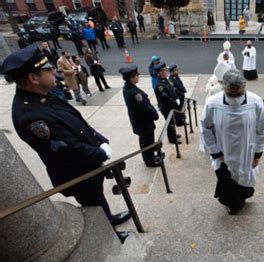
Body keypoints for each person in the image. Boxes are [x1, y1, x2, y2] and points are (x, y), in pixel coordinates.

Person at [0, 45, 131, 243]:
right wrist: (100, 153)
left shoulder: (43, 94)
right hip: (76, 173)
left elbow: (76, 123)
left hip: (87, 165)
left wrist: (99, 139)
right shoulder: (31, 116)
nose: (54, 71)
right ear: (33, 78)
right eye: (48, 70)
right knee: (92, 203)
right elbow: (69, 150)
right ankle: (109, 236)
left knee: (98, 198)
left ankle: (109, 220)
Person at [200, 69, 264, 215]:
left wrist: (257, 155)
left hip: (246, 153)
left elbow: (262, 129)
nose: (235, 99)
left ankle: (241, 197)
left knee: (244, 180)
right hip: (224, 154)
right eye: (231, 95)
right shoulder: (213, 103)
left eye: (239, 94)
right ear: (223, 88)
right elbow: (205, 129)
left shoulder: (255, 102)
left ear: (245, 88)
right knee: (228, 183)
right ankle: (233, 204)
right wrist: (216, 152)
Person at [119, 65, 161, 167]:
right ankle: (150, 161)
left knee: (145, 141)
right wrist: (155, 115)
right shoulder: (135, 93)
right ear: (131, 77)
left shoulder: (127, 88)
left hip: (139, 122)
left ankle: (150, 156)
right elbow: (145, 108)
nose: (138, 76)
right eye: (136, 75)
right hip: (144, 124)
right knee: (147, 142)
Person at [154, 62, 181, 144]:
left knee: (172, 122)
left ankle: (173, 135)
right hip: (166, 108)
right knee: (170, 123)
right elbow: (166, 99)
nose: (167, 71)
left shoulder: (165, 80)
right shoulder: (160, 85)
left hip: (170, 106)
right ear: (160, 72)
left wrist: (176, 98)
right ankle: (172, 139)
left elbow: (171, 91)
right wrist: (175, 103)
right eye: (165, 70)